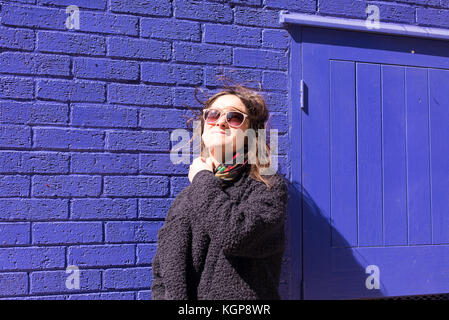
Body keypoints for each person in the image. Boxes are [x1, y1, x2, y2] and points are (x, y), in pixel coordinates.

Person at [151, 83, 289, 300]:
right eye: (213, 115)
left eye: (234, 117)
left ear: (250, 133)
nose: (221, 122)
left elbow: (235, 236)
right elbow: (162, 272)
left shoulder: (267, 187)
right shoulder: (186, 198)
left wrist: (201, 178)